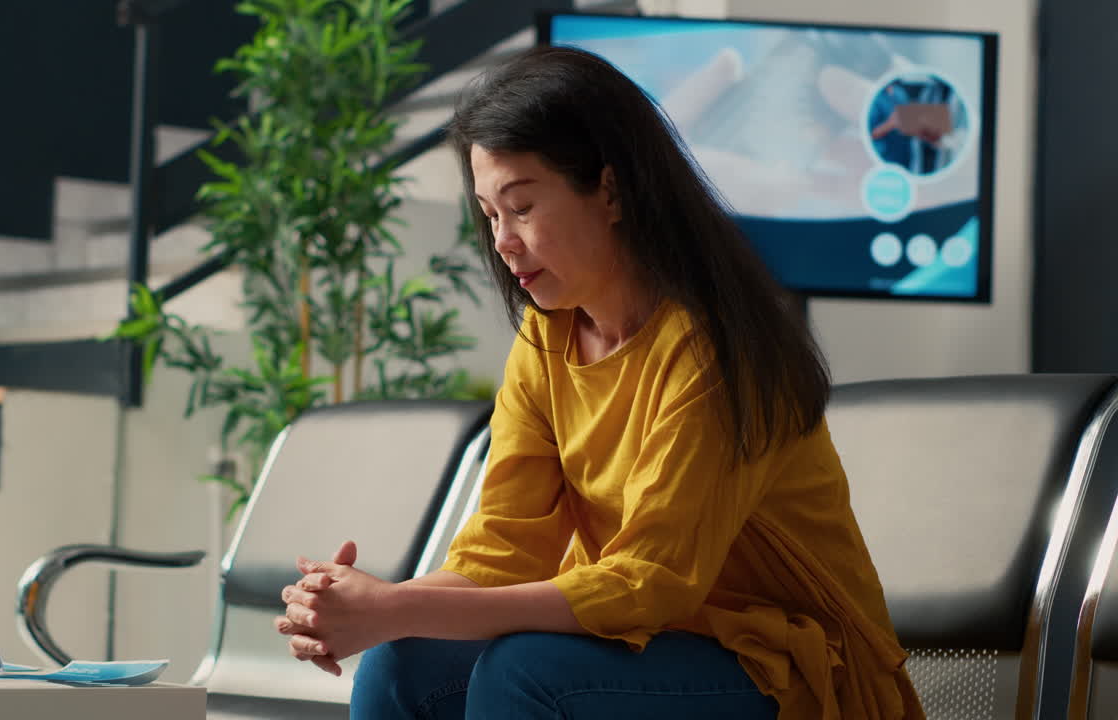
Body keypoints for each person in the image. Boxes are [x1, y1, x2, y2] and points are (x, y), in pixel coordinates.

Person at [273, 45, 925, 719]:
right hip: (640, 652)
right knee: (400, 661)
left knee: (523, 672)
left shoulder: (713, 351)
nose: (501, 240)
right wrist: (366, 611)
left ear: (610, 191)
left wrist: (397, 606)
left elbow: (649, 584)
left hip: (797, 674)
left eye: (521, 206)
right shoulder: (545, 340)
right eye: (490, 214)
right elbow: (504, 545)